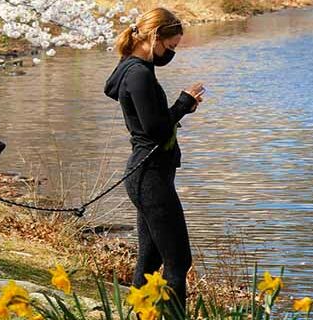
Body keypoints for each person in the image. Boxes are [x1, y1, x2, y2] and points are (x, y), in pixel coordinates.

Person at [103, 7, 206, 303]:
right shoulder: (139, 74)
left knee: (149, 262)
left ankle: (139, 312)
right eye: (170, 46)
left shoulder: (132, 68)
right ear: (154, 37)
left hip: (146, 175)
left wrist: (176, 108)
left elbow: (114, 89)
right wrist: (184, 103)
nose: (171, 53)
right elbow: (157, 130)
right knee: (178, 262)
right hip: (150, 177)